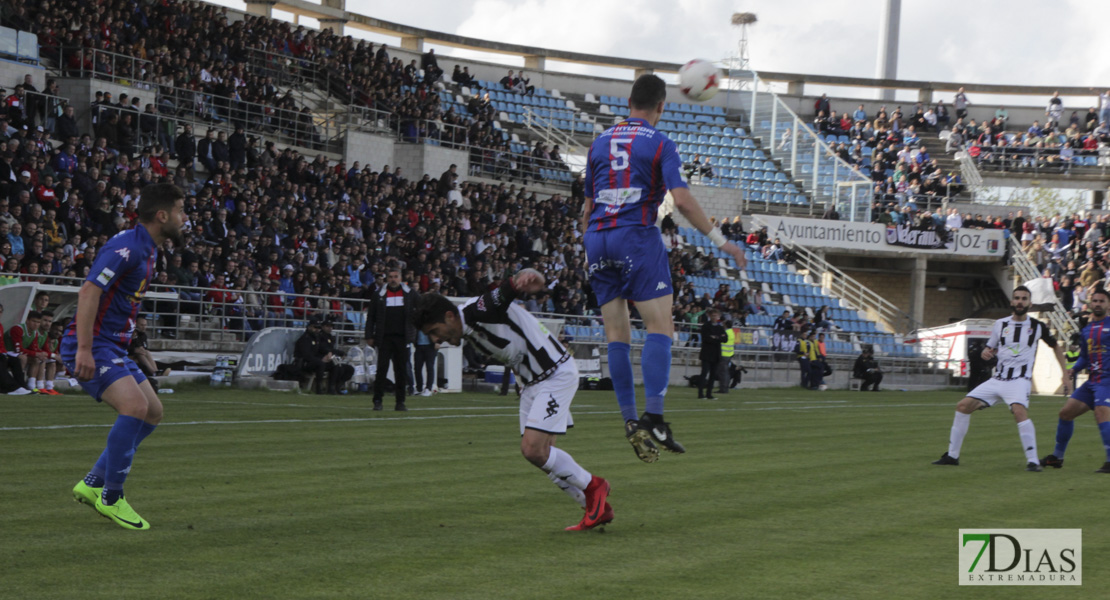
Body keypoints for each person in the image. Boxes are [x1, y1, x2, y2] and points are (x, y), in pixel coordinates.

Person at [581, 74, 746, 461]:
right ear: (661, 106)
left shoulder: (599, 143)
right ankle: (653, 415)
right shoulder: (660, 143)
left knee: (616, 334)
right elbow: (683, 201)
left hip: (596, 237)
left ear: (628, 104)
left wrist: (589, 245)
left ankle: (628, 418)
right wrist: (723, 242)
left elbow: (587, 208)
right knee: (661, 326)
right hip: (635, 236)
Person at [413, 269, 612, 531]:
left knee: (533, 449)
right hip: (531, 384)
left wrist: (527, 279)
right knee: (540, 456)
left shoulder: (477, 311)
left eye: (434, 331)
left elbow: (505, 292)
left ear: (450, 316)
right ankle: (595, 509)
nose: (436, 340)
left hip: (555, 374)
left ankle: (594, 486)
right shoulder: (469, 327)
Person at [65, 182, 187, 530]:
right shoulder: (127, 248)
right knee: (134, 407)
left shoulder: (149, 249)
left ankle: (91, 484)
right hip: (92, 344)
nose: (184, 218)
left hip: (115, 345)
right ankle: (112, 497)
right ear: (162, 215)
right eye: (180, 211)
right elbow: (89, 291)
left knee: (152, 413)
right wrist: (85, 350)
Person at [932, 286, 1071, 471]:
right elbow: (989, 349)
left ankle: (1033, 461)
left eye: (1024, 298)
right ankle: (952, 456)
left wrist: (1065, 375)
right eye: (1017, 298)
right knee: (962, 406)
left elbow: (1055, 347)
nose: (1020, 301)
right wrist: (986, 353)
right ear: (1012, 302)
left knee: (1019, 412)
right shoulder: (1001, 324)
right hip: (998, 380)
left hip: (1019, 380)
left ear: (1029, 303)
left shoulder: (1037, 326)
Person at [1041, 288, 1110, 472]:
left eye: (1102, 301)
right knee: (1065, 413)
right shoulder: (1087, 330)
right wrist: (1073, 370)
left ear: (1108, 305)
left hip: (1107, 381)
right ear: (1090, 304)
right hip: (1092, 382)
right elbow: (1085, 357)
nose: (1097, 304)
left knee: (1101, 414)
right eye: (1095, 301)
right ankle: (1057, 457)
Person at [365, 267, 418, 411]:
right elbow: (371, 317)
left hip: (402, 338)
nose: (393, 279)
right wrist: (369, 335)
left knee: (401, 371)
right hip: (384, 338)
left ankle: (400, 402)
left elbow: (421, 312)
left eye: (396, 276)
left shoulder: (410, 294)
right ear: (386, 279)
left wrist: (415, 333)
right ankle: (377, 400)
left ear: (401, 278)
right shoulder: (379, 294)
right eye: (391, 277)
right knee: (381, 370)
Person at [0, 302, 32, 394]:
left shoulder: (0, 326)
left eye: (1, 312)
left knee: (15, 360)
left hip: (1, 353)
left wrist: (4, 353)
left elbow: (1, 344)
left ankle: (21, 386)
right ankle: (12, 388)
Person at [294, 317, 332, 394]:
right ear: (310, 327)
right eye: (315, 327)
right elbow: (306, 355)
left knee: (333, 364)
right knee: (320, 364)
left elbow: (321, 349)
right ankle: (318, 388)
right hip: (304, 363)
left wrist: (327, 354)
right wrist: (319, 359)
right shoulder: (305, 339)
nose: (317, 329)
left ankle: (332, 388)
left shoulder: (316, 338)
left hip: (313, 361)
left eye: (318, 327)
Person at [696, 309, 726, 400]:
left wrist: (715, 337)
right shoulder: (706, 326)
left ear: (719, 317)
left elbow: (725, 339)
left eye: (716, 315)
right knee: (704, 373)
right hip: (706, 353)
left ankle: (709, 394)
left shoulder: (720, 327)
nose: (714, 317)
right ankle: (700, 394)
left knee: (713, 375)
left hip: (716, 354)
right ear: (710, 316)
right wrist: (718, 338)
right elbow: (706, 338)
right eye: (713, 315)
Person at [413, 328, 438, 396]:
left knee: (429, 367)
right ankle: (419, 388)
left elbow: (438, 330)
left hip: (430, 346)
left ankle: (428, 388)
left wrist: (438, 342)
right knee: (417, 368)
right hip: (419, 345)